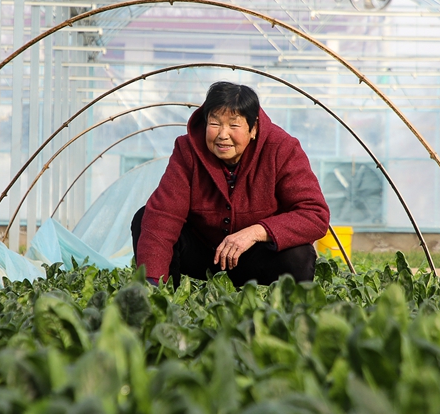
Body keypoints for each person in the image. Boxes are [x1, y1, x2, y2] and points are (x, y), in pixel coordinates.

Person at [131, 81, 330, 287]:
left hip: (255, 257)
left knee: (299, 253)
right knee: (145, 217)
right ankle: (162, 296)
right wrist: (152, 285)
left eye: (234, 125)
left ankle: (286, 312)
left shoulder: (282, 149)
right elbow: (164, 214)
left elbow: (314, 214)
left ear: (253, 128)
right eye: (215, 123)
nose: (223, 134)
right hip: (207, 254)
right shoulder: (188, 149)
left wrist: (255, 232)